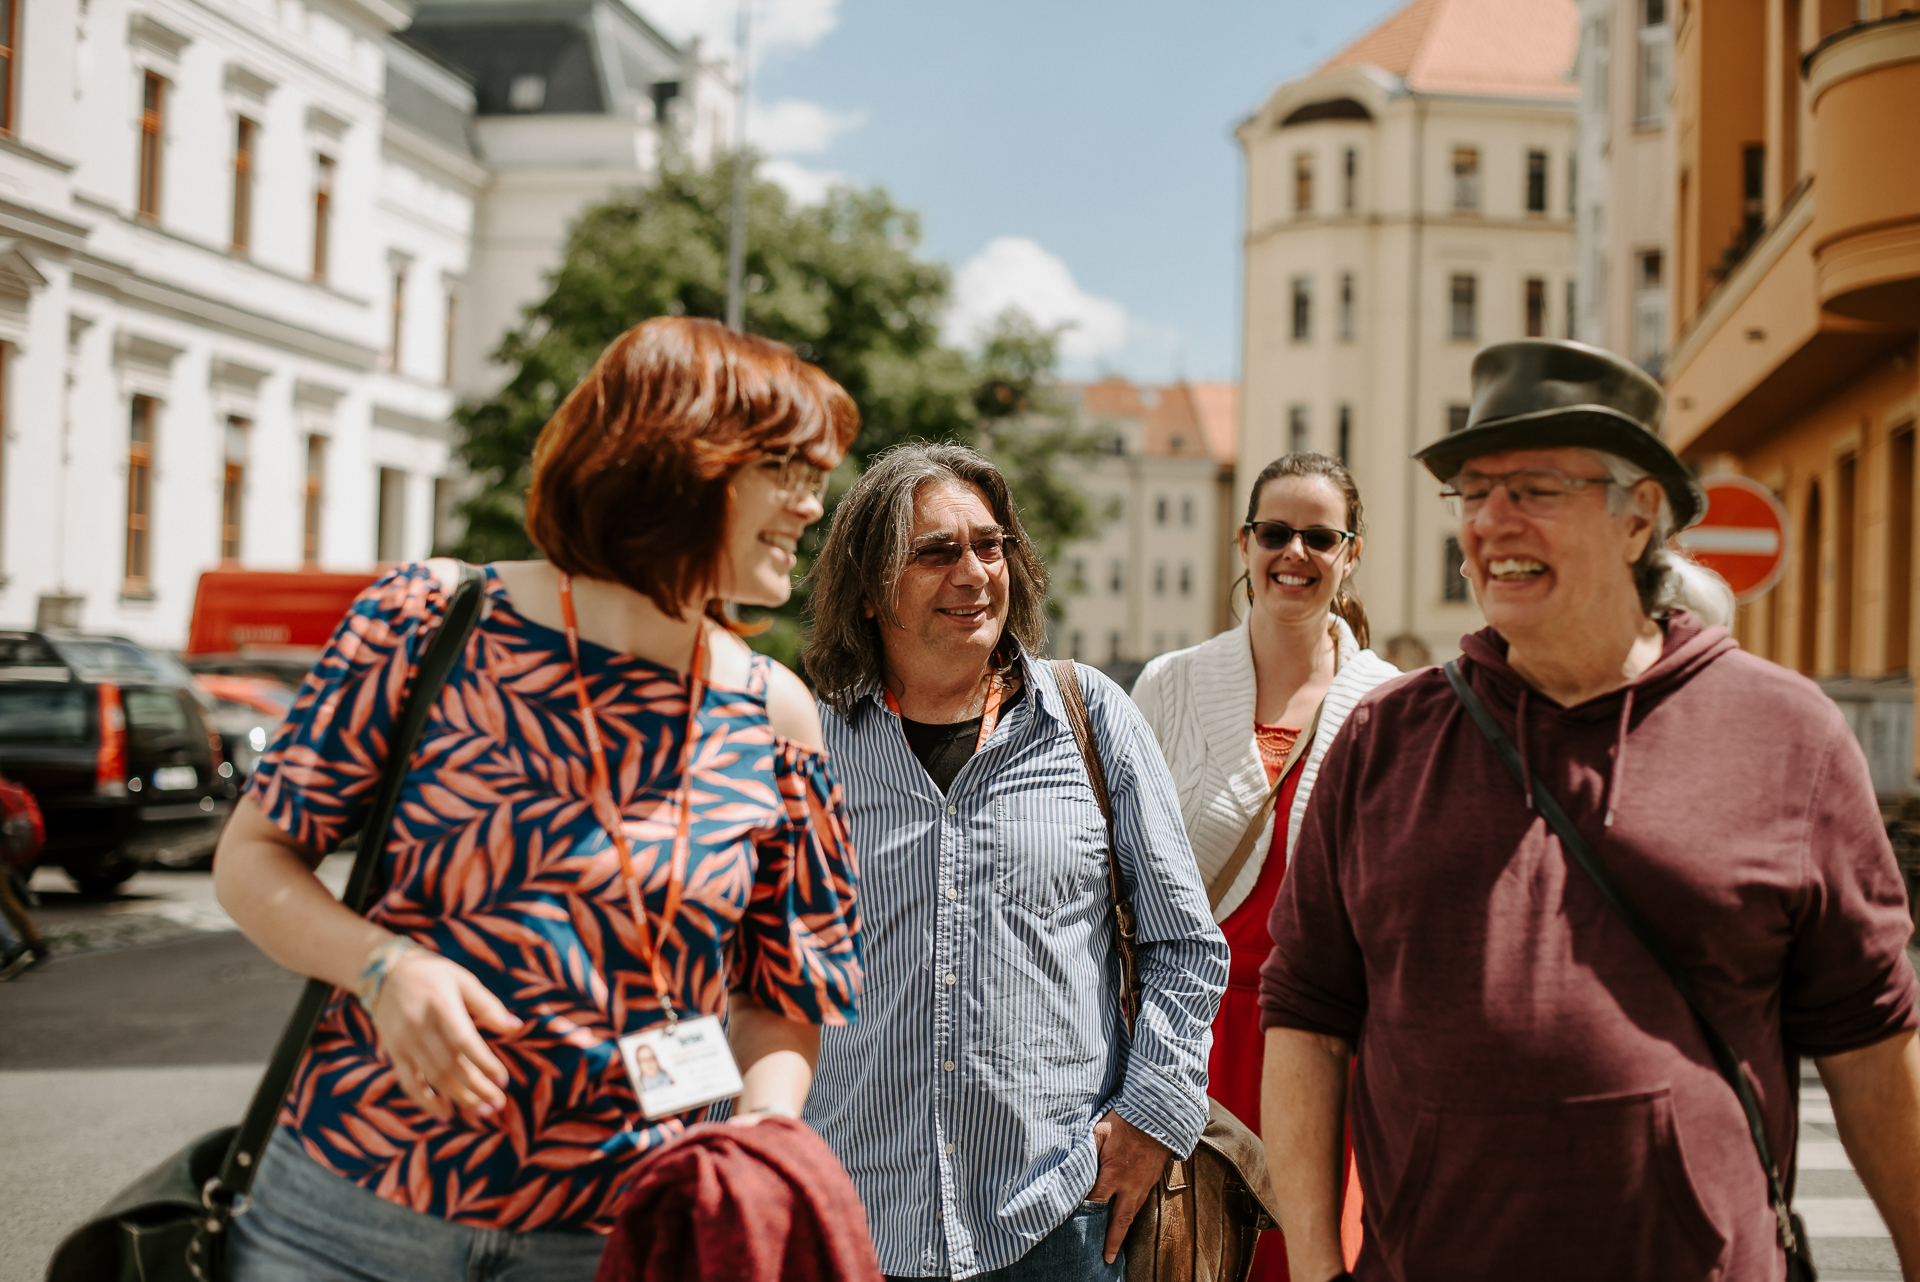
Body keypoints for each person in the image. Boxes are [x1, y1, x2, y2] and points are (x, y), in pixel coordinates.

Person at [212, 317, 865, 1282]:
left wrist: (762, 1145)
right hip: (344, 1219)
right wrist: (381, 966)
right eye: (790, 472)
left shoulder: (775, 714)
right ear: (681, 460)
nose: (814, 508)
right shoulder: (429, 620)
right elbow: (252, 858)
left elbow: (784, 994)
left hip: (618, 1245)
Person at [1259, 338, 1920, 1282]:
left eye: (1534, 488)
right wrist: (1321, 1272)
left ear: (1638, 514)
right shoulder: (1382, 741)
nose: (1491, 522)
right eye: (1473, 492)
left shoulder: (1787, 734)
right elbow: (1308, 1020)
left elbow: (1872, 1044)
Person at [800, 442, 1228, 1281]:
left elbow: (1185, 945)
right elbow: (742, 974)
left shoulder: (1092, 716)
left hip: (1060, 1217)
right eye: (935, 552)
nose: (973, 572)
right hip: (852, 1217)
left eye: (989, 546)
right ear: (865, 590)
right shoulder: (808, 746)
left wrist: (1151, 1118)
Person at [1131, 452, 1399, 1280]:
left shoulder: (1392, 704)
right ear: (1244, 543)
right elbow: (1113, 872)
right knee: (1184, 1256)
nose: (1296, 554)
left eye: (1320, 537)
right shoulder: (1168, 684)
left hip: (1324, 1042)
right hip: (1184, 1034)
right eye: (1275, 532)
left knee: (1307, 1257)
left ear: (1351, 553)